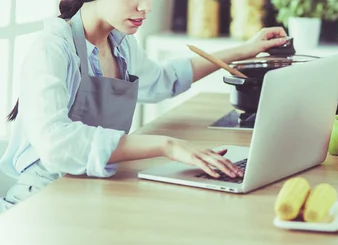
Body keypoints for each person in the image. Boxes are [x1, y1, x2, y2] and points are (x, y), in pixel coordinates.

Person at [0, 0, 288, 212]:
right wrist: (167, 146)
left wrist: (246, 49)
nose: (146, 7)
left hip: (92, 190)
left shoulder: (119, 43)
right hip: (40, 201)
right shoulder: (52, 47)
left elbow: (165, 79)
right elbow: (56, 145)